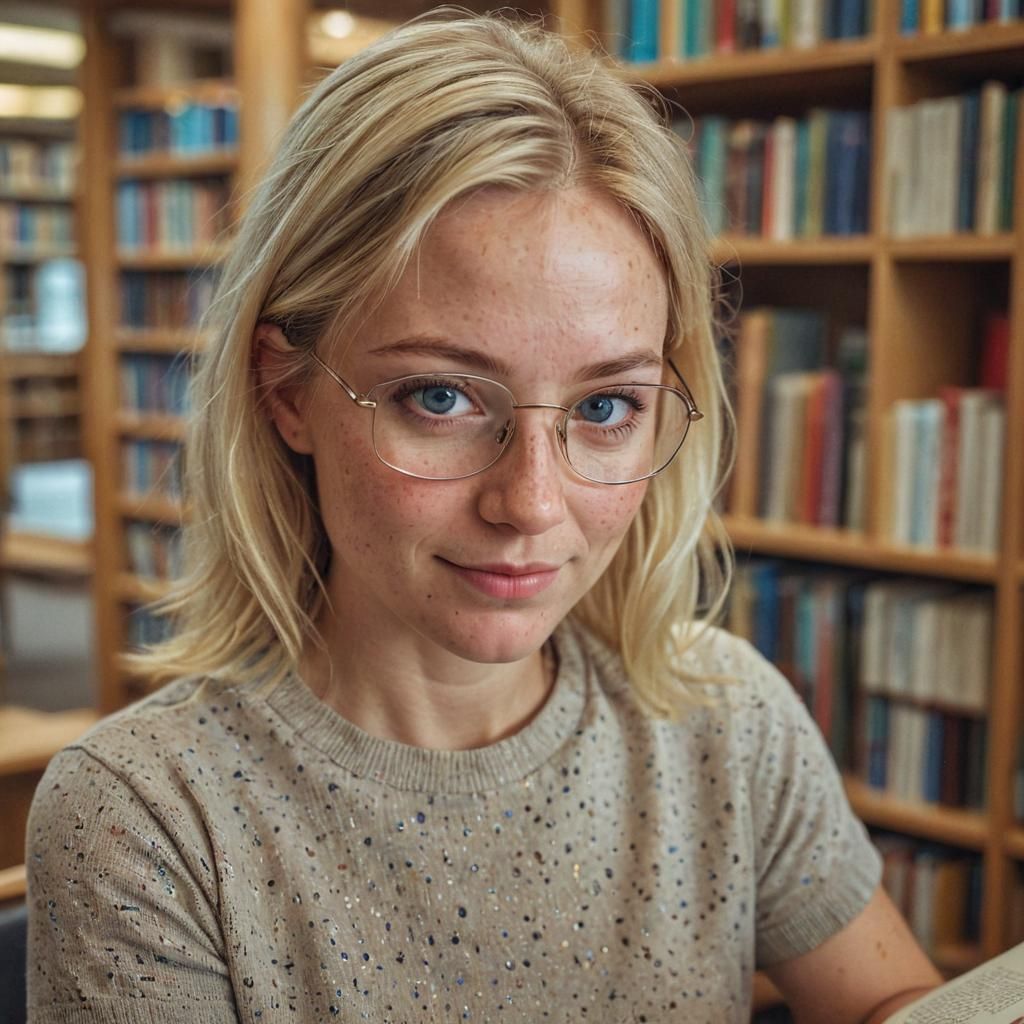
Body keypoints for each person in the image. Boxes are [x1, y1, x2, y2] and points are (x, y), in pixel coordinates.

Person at [26, 12, 942, 1023]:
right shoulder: (148, 818)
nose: (532, 505)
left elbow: (889, 996)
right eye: (440, 397)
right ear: (287, 390)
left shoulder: (725, 717)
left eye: (604, 408)